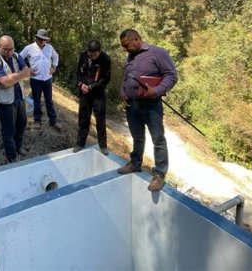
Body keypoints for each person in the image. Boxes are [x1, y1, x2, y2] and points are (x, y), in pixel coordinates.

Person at [117, 29, 178, 191]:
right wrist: (122, 92)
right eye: (123, 47)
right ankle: (135, 163)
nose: (125, 49)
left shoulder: (157, 53)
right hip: (132, 105)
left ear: (136, 39)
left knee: (158, 139)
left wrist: (157, 90)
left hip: (151, 105)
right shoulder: (130, 57)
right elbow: (126, 78)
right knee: (137, 137)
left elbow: (171, 75)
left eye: (127, 45)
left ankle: (159, 174)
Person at [0, 35, 32, 162]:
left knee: (22, 124)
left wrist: (12, 77)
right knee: (8, 130)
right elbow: (4, 83)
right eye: (6, 49)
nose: (9, 52)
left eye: (11, 49)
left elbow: (27, 71)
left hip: (19, 97)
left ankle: (19, 146)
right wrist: (19, 75)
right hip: (5, 101)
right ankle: (11, 155)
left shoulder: (16, 56)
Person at [73, 40, 112, 155]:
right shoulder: (83, 56)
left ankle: (103, 145)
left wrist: (91, 87)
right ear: (87, 51)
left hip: (98, 94)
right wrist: (80, 84)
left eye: (95, 55)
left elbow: (105, 79)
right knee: (83, 118)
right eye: (91, 54)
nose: (93, 57)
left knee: (100, 120)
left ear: (100, 52)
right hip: (84, 92)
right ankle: (80, 143)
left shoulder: (105, 59)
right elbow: (78, 73)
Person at [19, 29, 61, 131]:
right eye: (40, 39)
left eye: (44, 39)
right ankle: (37, 121)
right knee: (36, 101)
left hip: (47, 79)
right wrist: (27, 69)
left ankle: (53, 121)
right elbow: (19, 58)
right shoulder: (29, 48)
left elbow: (56, 57)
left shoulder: (49, 48)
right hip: (35, 79)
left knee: (49, 101)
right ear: (36, 38)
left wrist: (54, 67)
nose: (42, 41)